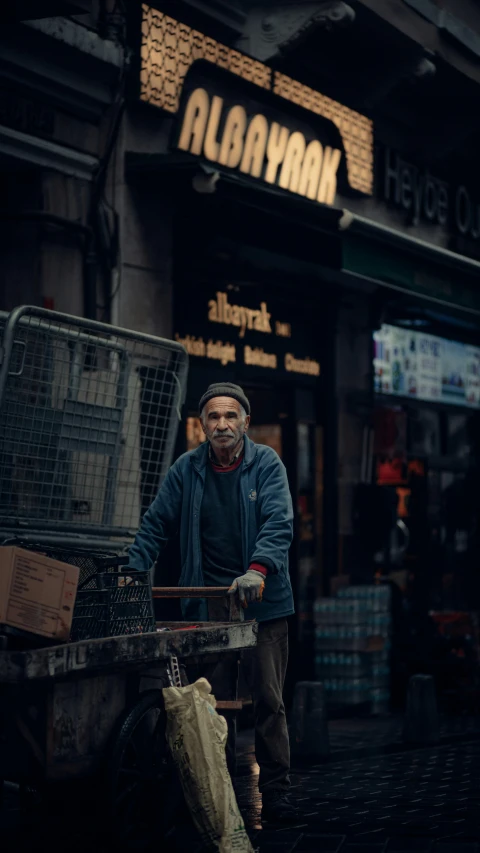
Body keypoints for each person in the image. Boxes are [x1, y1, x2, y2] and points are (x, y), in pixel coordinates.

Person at [128, 381, 297, 823]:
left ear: (245, 421)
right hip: (209, 604)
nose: (222, 424)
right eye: (213, 417)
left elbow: (278, 522)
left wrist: (258, 570)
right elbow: (155, 524)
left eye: (230, 416)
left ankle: (276, 790)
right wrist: (131, 570)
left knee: (268, 699)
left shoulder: (266, 464)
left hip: (261, 600)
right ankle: (215, 791)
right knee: (212, 702)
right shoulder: (187, 469)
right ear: (201, 424)